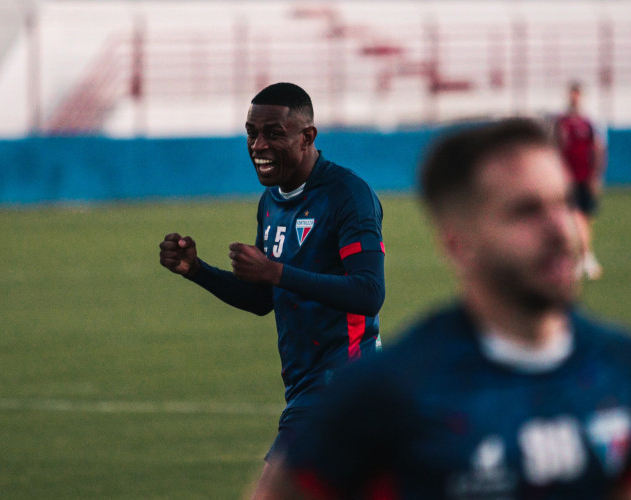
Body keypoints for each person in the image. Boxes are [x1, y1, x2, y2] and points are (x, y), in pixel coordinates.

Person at [257, 118, 631, 499]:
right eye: (526, 211)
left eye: (564, 202)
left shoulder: (620, 370)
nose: (560, 230)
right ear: (459, 242)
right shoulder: (387, 395)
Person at [158, 83, 385, 488]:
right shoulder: (272, 202)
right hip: (307, 385)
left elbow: (369, 294)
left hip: (343, 381)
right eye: (251, 132)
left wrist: (278, 272)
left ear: (307, 136)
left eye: (273, 133)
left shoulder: (347, 196)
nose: (258, 145)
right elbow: (264, 299)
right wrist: (197, 270)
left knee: (272, 491)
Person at [555, 82, 607, 279]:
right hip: (568, 179)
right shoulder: (561, 123)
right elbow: (555, 148)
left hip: (586, 178)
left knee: (584, 219)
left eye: (577, 95)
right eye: (572, 95)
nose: (574, 98)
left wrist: (596, 176)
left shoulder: (589, 123)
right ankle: (584, 258)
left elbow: (598, 149)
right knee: (574, 218)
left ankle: (583, 258)